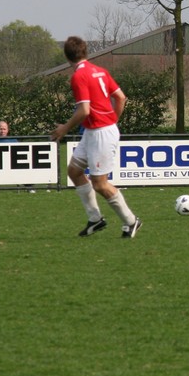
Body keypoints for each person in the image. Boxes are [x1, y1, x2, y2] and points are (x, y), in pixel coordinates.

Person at [50, 36, 141, 239]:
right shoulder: (100, 70)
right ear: (86, 52)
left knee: (99, 183)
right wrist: (113, 120)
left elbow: (84, 110)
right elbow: (121, 97)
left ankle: (131, 221)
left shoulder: (79, 76)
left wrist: (64, 129)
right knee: (74, 171)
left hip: (101, 133)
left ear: (67, 56)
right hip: (95, 131)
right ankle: (95, 218)